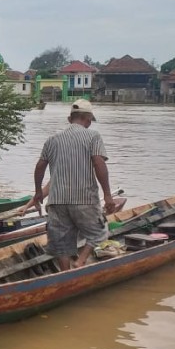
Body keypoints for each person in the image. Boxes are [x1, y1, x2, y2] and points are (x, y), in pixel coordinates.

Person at [33, 99, 117, 271]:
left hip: (57, 200)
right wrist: (107, 195)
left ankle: (65, 272)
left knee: (61, 241)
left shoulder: (52, 140)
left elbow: (40, 166)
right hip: (84, 198)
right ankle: (81, 261)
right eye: (89, 121)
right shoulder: (93, 136)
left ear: (70, 119)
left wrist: (37, 192)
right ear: (88, 119)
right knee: (99, 232)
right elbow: (99, 164)